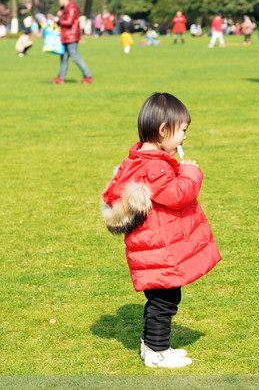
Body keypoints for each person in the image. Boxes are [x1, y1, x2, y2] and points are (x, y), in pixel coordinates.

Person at [101, 92, 221, 369]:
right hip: (159, 251)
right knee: (164, 301)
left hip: (155, 249)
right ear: (163, 130)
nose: (184, 138)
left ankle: (152, 346)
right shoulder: (155, 167)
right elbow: (180, 195)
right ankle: (157, 352)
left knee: (160, 300)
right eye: (182, 131)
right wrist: (190, 172)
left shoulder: (146, 160)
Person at [50, 0, 93, 84]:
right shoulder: (66, 8)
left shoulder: (72, 7)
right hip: (66, 36)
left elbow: (69, 22)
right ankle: (61, 77)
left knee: (75, 57)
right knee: (64, 57)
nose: (59, 1)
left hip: (71, 36)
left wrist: (58, 20)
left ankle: (88, 76)